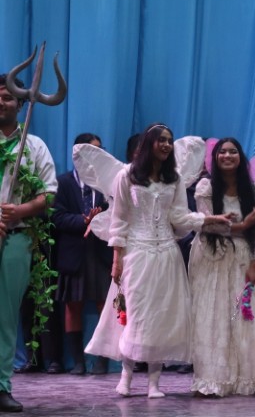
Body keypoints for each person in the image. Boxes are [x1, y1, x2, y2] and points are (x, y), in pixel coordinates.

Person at [84, 123, 232, 398]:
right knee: (136, 315)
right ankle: (126, 376)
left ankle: (154, 383)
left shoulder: (173, 179)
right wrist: (117, 259)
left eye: (169, 140)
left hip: (166, 253)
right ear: (148, 143)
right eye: (161, 140)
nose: (166, 144)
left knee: (161, 317)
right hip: (137, 253)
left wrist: (210, 219)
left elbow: (179, 217)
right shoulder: (128, 175)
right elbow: (119, 220)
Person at [188, 137, 255, 396]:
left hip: (242, 259)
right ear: (215, 158)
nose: (227, 156)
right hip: (212, 257)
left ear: (241, 157)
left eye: (233, 151)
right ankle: (213, 378)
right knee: (213, 317)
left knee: (245, 316)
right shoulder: (205, 187)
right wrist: (241, 226)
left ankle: (253, 376)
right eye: (222, 152)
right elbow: (207, 226)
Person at [0, 73, 58, 412]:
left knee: (5, 317)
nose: (1, 102)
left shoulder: (34, 146)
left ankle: (1, 386)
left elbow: (49, 194)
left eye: (8, 97)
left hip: (17, 238)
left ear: (21, 104)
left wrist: (20, 210)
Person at [52, 133, 113, 375]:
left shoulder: (108, 182)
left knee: (105, 305)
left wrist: (100, 220)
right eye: (91, 149)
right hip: (74, 252)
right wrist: (83, 220)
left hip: (101, 251)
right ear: (77, 153)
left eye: (99, 149)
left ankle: (103, 360)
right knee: (73, 305)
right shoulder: (62, 183)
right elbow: (57, 217)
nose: (96, 153)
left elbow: (118, 214)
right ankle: (78, 361)